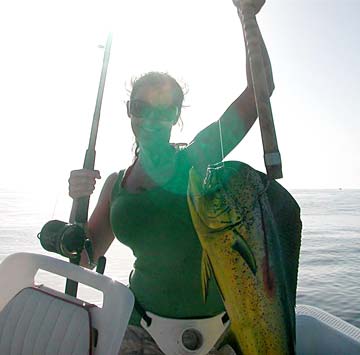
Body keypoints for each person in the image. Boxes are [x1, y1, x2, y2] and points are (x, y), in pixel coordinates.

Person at [69, 2, 273, 353]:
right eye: (141, 108)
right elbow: (84, 256)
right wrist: (77, 200)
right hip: (140, 328)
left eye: (164, 110)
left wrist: (247, 17)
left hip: (219, 332)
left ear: (176, 115)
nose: (151, 118)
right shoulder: (116, 185)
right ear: (129, 111)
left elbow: (260, 91)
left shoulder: (198, 157)